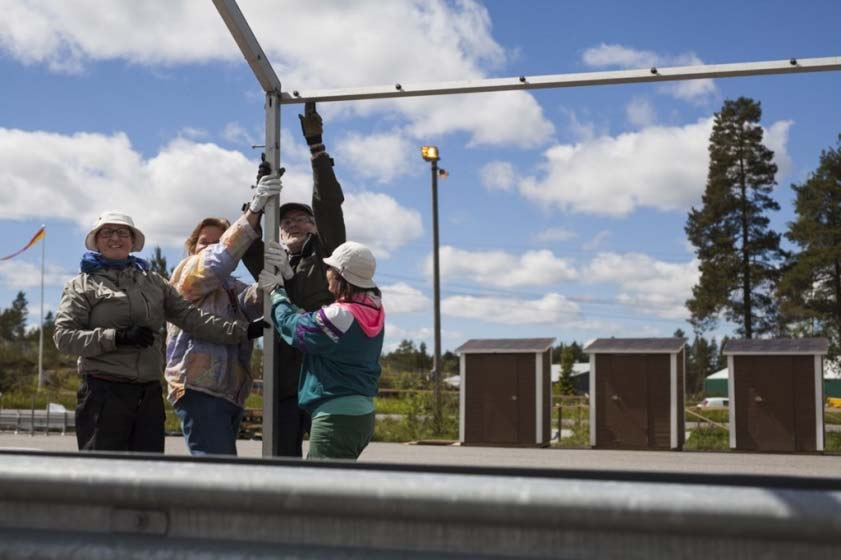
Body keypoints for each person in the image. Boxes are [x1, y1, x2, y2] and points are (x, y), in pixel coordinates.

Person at [54, 211, 265, 453]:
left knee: (148, 474)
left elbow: (191, 318)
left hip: (148, 394)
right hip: (104, 391)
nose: (115, 238)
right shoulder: (81, 285)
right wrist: (116, 337)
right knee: (103, 476)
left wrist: (243, 331)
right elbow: (64, 337)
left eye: (123, 233)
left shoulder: (153, 282)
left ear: (133, 241)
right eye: (107, 233)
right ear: (96, 241)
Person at [243, 101, 346, 457]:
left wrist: (317, 149)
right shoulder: (271, 262)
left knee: (325, 462)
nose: (292, 223)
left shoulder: (329, 254)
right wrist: (257, 197)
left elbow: (329, 205)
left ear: (314, 226)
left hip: (322, 374)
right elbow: (244, 243)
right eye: (285, 221)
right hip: (283, 377)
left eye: (301, 218)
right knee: (281, 458)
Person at [165, 174, 282, 455]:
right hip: (198, 386)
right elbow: (218, 260)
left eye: (218, 241)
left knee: (222, 467)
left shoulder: (230, 287)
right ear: (193, 246)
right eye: (205, 241)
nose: (210, 247)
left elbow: (253, 302)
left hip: (230, 390)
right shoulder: (187, 273)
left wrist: (275, 277)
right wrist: (253, 211)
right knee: (217, 470)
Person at [259, 241, 385, 460]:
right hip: (361, 415)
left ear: (340, 275)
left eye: (330, 269)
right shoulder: (373, 310)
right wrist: (290, 281)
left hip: (336, 418)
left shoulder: (340, 316)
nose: (326, 273)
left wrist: (276, 294)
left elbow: (294, 327)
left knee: (322, 488)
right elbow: (317, 323)